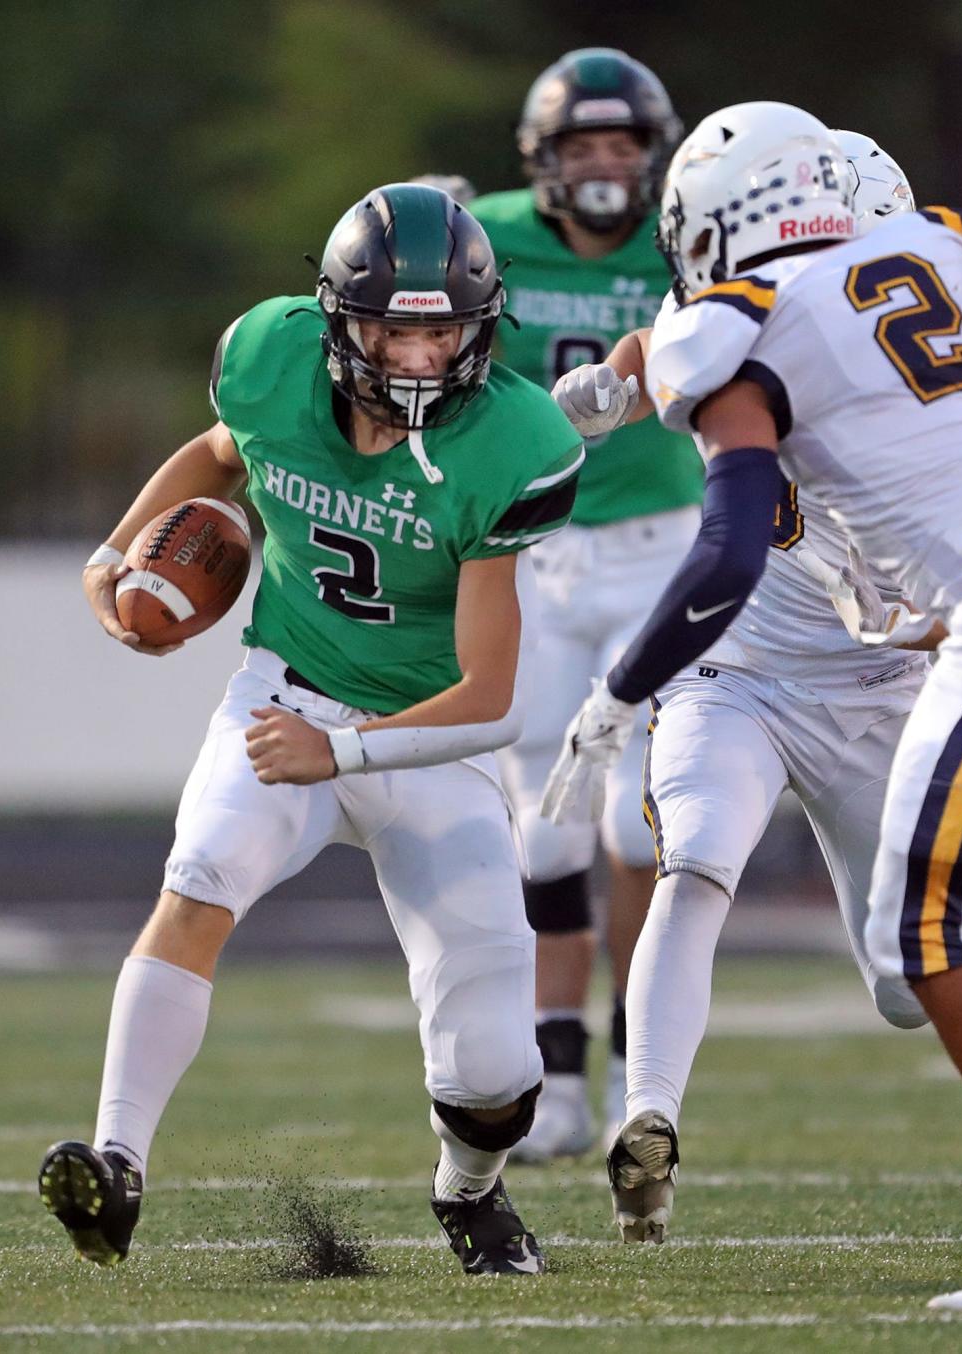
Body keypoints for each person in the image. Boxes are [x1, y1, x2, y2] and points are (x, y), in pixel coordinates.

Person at [543, 103, 962, 1309]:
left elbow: (733, 541)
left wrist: (621, 684)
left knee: (915, 927)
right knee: (939, 903)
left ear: (708, 226)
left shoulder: (731, 321)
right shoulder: (936, 243)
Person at [37, 183, 584, 1277]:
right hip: (285, 694)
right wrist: (116, 554)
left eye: (441, 330)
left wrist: (343, 750)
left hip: (430, 738)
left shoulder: (513, 438)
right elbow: (219, 453)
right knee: (199, 879)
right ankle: (117, 1161)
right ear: (338, 321)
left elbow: (490, 693)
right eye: (394, 327)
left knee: (491, 1067)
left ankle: (469, 1193)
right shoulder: (269, 359)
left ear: (478, 326)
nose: (420, 356)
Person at [469, 48, 704, 1160]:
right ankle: (556, 1080)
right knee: (548, 830)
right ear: (544, 160)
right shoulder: (482, 231)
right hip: (540, 555)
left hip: (663, 552)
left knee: (634, 825)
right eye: (584, 146)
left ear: (653, 158)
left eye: (622, 145)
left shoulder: (687, 241)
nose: (606, 165)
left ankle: (636, 1082)